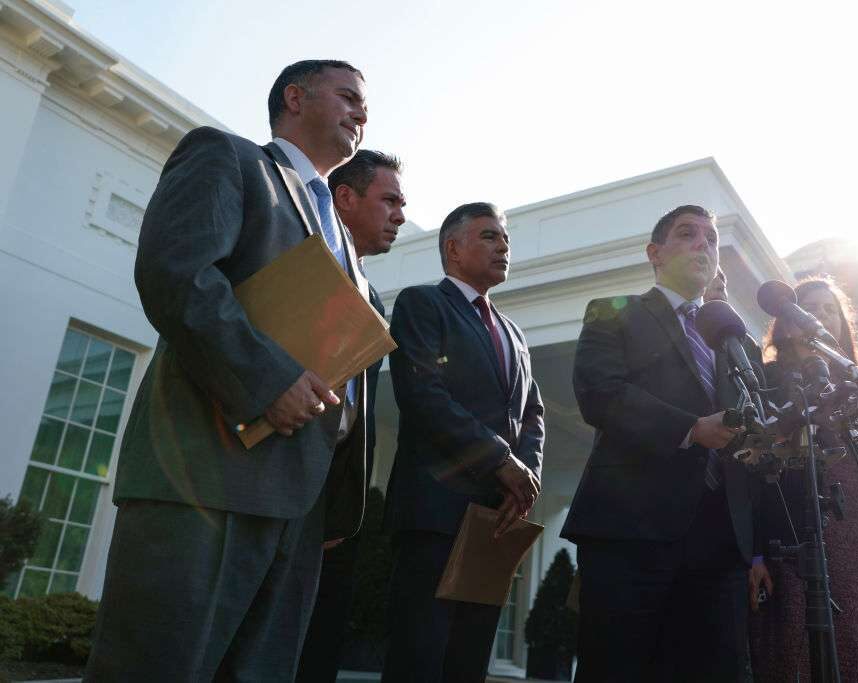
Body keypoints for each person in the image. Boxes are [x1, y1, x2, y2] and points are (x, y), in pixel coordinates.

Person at [84, 60, 372, 681]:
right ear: (295, 98)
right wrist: (270, 381)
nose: (362, 111)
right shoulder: (229, 159)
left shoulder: (345, 238)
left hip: (300, 507)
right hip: (203, 479)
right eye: (347, 95)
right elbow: (177, 274)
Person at [562, 204, 762, 682]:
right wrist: (691, 428)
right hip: (632, 532)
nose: (703, 245)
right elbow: (601, 395)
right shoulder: (613, 314)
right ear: (655, 253)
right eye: (687, 234)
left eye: (711, 239)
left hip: (720, 542)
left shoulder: (735, 341)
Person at [381, 202, 544, 683]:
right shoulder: (421, 303)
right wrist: (499, 460)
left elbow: (533, 413)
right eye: (490, 236)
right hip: (435, 515)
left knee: (468, 663)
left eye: (506, 238)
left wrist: (524, 476)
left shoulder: (514, 332)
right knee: (420, 657)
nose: (503, 245)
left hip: (493, 521)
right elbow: (422, 394)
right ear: (453, 248)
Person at [747, 278, 858, 682]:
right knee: (794, 651)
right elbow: (749, 477)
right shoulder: (763, 381)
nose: (818, 313)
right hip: (790, 533)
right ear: (784, 321)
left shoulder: (857, 388)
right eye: (808, 306)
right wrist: (755, 553)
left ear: (840, 324)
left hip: (857, 538)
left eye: (828, 308)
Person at [296, 149, 406, 682]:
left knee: (316, 648)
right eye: (389, 200)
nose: (401, 216)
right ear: (345, 197)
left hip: (330, 511)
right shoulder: (298, 256)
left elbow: (354, 420)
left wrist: (341, 506)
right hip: (272, 479)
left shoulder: (375, 301)